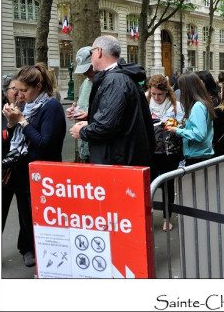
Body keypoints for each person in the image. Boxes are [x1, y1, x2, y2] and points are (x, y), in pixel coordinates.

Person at [2, 63, 66, 267]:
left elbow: (44, 144)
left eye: (24, 90)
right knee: (26, 217)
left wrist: (21, 121)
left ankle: (47, 257)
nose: (19, 95)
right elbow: (16, 138)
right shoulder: (26, 106)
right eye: (17, 90)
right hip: (22, 172)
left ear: (38, 86)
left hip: (43, 174)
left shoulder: (51, 106)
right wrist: (12, 123)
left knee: (41, 218)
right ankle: (32, 251)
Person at [70, 35, 155, 166]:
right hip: (122, 159)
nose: (91, 57)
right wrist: (90, 119)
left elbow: (106, 126)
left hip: (117, 162)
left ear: (98, 52)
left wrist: (82, 132)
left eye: (91, 52)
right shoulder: (119, 78)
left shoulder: (114, 80)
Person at [147, 74, 184, 232]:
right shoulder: (145, 101)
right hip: (151, 151)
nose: (157, 97)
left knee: (168, 185)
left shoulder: (176, 105)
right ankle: (146, 217)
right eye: (154, 94)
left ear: (167, 92)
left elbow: (182, 124)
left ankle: (167, 217)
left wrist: (173, 126)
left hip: (169, 152)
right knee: (148, 185)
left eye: (160, 94)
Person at [166, 72, 216, 166]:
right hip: (199, 155)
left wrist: (177, 131)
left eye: (181, 88)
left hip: (197, 157)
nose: (180, 91)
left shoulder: (198, 106)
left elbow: (199, 134)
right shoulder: (202, 103)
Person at [1, 74, 24, 234]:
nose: (18, 92)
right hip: (4, 171)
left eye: (21, 89)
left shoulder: (27, 109)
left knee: (24, 213)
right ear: (5, 91)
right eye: (14, 88)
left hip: (22, 169)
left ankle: (26, 248)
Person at [65, 46, 95, 162]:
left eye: (88, 69)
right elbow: (82, 106)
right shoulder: (85, 83)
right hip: (85, 148)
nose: (85, 74)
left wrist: (89, 116)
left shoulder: (108, 84)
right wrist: (75, 111)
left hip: (98, 150)